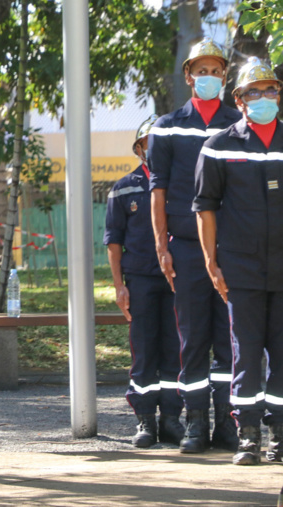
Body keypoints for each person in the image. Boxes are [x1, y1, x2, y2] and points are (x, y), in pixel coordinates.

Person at [148, 37, 241, 454]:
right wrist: (161, 248)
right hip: (185, 248)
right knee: (192, 338)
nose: (209, 77)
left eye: (216, 71)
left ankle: (228, 423)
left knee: (229, 339)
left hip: (233, 249)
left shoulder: (238, 126)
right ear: (188, 76)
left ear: (225, 76)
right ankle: (195, 425)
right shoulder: (166, 126)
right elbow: (158, 189)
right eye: (201, 70)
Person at [194, 56, 283, 465]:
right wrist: (211, 263)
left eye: (270, 89)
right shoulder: (218, 147)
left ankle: (279, 434)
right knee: (245, 352)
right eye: (254, 92)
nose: (264, 97)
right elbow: (205, 207)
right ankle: (248, 435)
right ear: (240, 99)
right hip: (241, 270)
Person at [104, 114, 184, 448]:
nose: (154, 150)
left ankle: (171, 419)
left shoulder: (183, 185)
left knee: (175, 349)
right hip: (140, 280)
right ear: (139, 149)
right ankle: (145, 421)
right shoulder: (124, 188)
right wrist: (119, 286)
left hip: (179, 281)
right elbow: (113, 242)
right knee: (144, 349)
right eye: (148, 144)